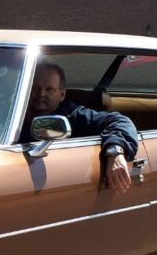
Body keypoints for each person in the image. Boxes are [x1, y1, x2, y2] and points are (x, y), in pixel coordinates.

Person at [19, 62, 139, 193]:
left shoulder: (73, 116)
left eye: (49, 89)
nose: (41, 94)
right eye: (35, 88)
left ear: (62, 95)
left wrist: (115, 152)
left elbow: (120, 121)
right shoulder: (9, 113)